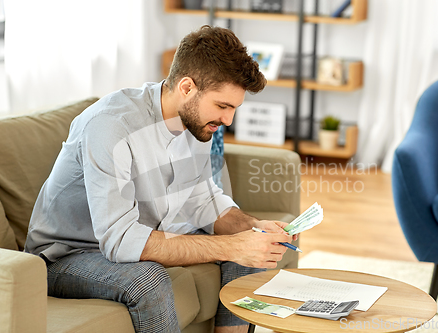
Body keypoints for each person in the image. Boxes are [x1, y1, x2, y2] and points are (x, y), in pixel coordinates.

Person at [25, 25, 295, 333]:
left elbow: (203, 201)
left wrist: (253, 229)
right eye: (222, 106)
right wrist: (231, 246)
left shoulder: (196, 124)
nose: (228, 120)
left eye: (234, 108)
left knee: (250, 251)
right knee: (148, 279)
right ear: (186, 88)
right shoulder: (111, 127)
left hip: (126, 239)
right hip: (64, 256)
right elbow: (120, 241)